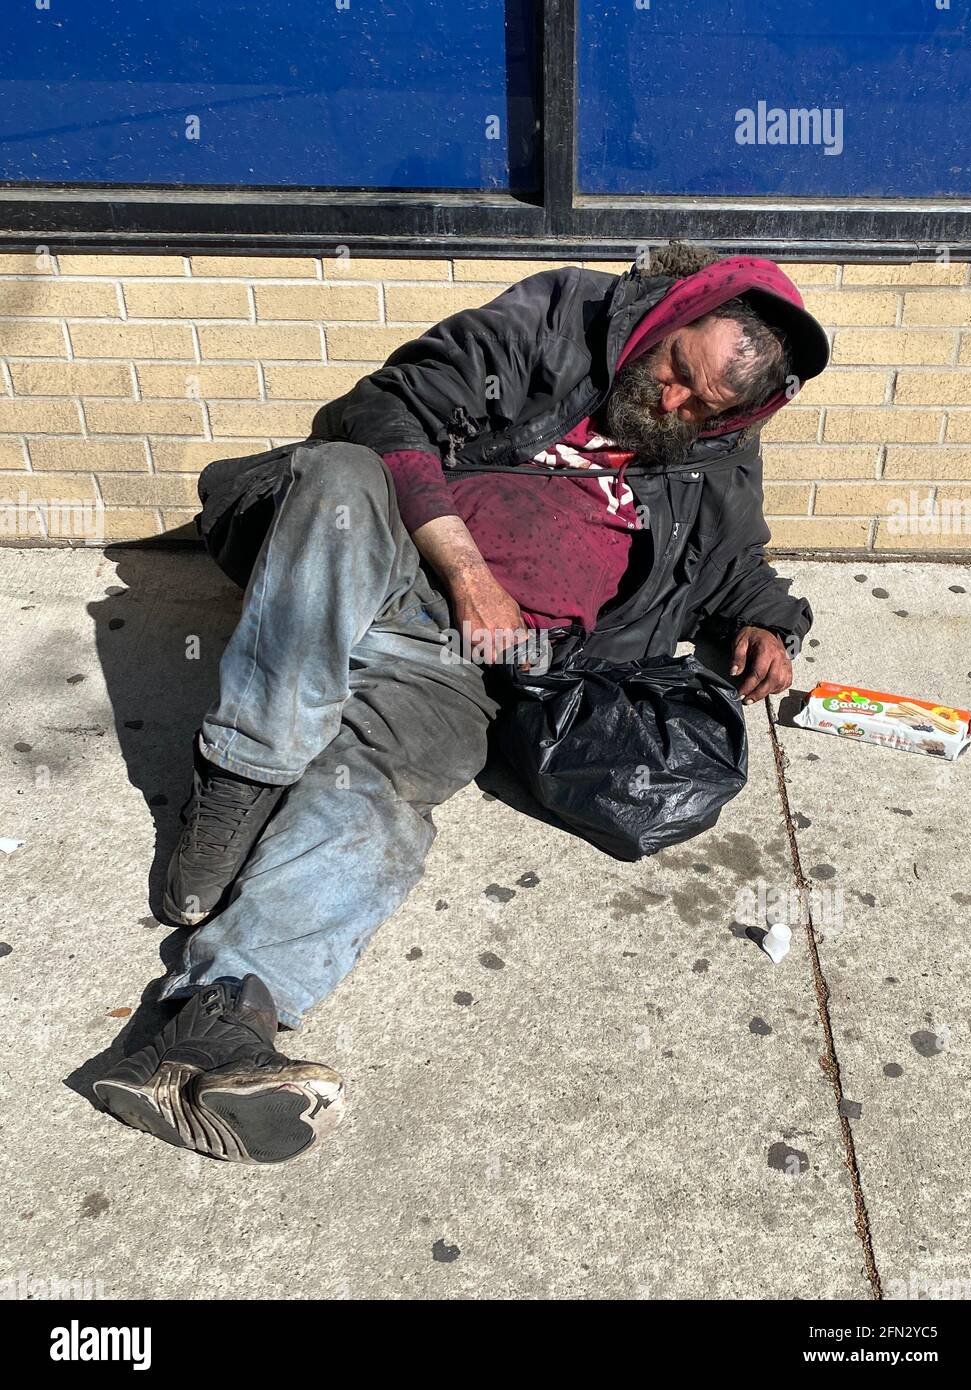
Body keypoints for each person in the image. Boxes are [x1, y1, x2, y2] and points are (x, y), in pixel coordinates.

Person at [95, 245, 829, 1164]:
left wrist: (768, 625)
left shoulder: (715, 454)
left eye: (703, 406)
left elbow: (735, 562)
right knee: (336, 479)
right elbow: (382, 407)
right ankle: (239, 780)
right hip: (386, 554)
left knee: (385, 806)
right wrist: (468, 571)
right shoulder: (562, 320)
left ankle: (210, 1026)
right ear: (673, 311)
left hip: (475, 665)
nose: (674, 405)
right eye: (676, 371)